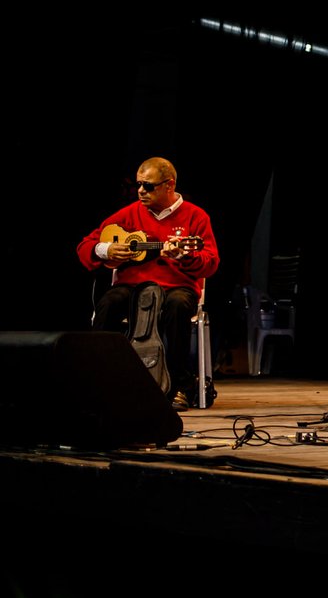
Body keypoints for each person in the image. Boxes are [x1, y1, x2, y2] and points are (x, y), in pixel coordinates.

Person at [77, 157, 220, 410]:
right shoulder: (128, 214)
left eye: (148, 185)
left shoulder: (196, 216)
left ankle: (179, 388)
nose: (141, 191)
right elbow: (85, 245)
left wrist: (186, 256)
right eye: (139, 185)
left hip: (177, 286)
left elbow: (210, 262)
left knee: (177, 306)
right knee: (109, 303)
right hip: (133, 286)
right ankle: (100, 378)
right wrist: (106, 250)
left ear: (169, 185)